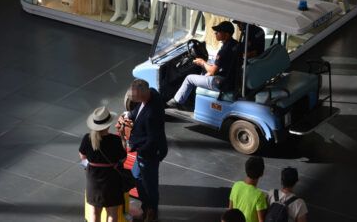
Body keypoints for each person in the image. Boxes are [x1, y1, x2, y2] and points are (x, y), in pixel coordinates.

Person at [166, 21, 239, 108]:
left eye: (218, 32)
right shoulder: (235, 44)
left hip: (221, 82)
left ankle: (176, 102)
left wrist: (202, 62)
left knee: (189, 78)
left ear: (227, 35)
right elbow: (223, 64)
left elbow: (212, 71)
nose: (216, 33)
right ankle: (190, 101)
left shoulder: (224, 51)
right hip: (231, 78)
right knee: (204, 72)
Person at [123, 79, 168, 222]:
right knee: (137, 176)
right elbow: (138, 110)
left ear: (143, 94)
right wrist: (129, 115)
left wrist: (134, 147)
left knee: (150, 184)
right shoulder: (152, 93)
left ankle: (151, 210)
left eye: (136, 98)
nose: (135, 101)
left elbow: (152, 140)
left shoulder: (152, 115)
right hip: (145, 151)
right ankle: (147, 205)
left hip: (148, 153)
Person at [79, 106, 127, 222]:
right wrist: (122, 138)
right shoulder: (115, 141)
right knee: (112, 214)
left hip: (94, 182)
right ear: (108, 124)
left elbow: (82, 156)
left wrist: (91, 164)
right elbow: (123, 158)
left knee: (95, 214)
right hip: (111, 182)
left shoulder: (87, 139)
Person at [229, 157, 268, 222]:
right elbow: (261, 220)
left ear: (246, 169)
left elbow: (230, 211)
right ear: (262, 174)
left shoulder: (236, 185)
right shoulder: (259, 195)